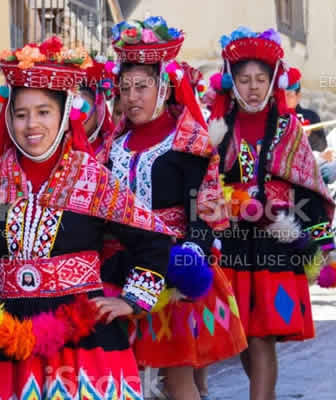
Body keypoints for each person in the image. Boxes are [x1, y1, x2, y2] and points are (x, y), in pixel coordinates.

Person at [0, 36, 174, 400]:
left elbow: (152, 238)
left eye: (43, 112)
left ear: (64, 115)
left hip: (83, 339)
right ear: (9, 118)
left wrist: (132, 300)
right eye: (21, 114)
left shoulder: (91, 178)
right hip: (9, 341)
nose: (31, 125)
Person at [108, 18, 247, 400]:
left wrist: (192, 255)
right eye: (125, 88)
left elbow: (202, 207)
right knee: (124, 377)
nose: (132, 97)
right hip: (121, 268)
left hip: (173, 266)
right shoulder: (112, 147)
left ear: (164, 86)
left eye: (142, 87)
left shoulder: (188, 142)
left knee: (176, 378)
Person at [208, 26, 334, 400]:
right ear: (231, 82)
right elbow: (205, 180)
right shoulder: (218, 129)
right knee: (241, 333)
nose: (252, 87)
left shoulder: (288, 129)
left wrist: (322, 245)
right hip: (231, 242)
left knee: (263, 334)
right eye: (244, 79)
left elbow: (309, 187)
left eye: (260, 79)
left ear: (272, 81)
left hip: (275, 240)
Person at [284, 68, 325, 151]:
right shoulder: (273, 116)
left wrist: (309, 135)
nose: (285, 99)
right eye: (282, 95)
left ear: (298, 96)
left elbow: (322, 146)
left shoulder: (311, 116)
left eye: (289, 95)